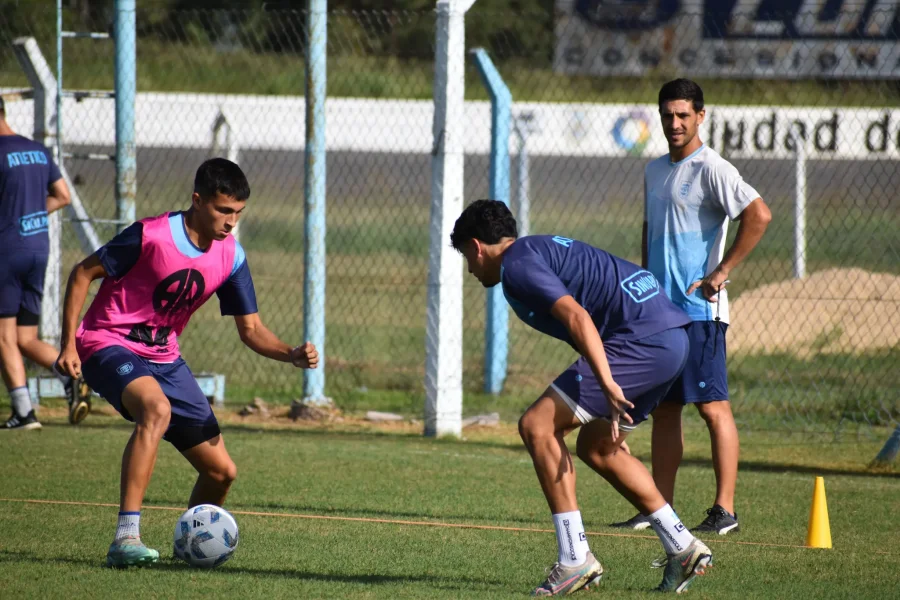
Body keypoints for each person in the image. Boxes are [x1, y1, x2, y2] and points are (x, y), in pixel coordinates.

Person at [55, 158, 319, 568]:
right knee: (155, 409)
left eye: (238, 213)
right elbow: (81, 273)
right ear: (198, 201)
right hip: (108, 342)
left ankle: (190, 548)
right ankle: (125, 537)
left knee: (221, 472)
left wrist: (291, 354)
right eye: (223, 210)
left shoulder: (230, 255)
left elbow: (250, 329)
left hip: (165, 358)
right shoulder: (152, 235)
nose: (231, 222)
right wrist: (69, 344)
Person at [451, 199, 713, 595]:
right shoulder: (538, 248)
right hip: (671, 337)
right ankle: (682, 546)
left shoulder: (516, 266)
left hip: (641, 341)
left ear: (476, 246)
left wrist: (607, 381)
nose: (470, 270)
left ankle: (574, 559)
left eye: (467, 259)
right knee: (599, 446)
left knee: (536, 425)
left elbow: (577, 316)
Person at [611, 79, 771, 536]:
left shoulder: (712, 167)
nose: (675, 123)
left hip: (700, 312)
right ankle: (657, 506)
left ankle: (725, 510)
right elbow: (650, 233)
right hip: (660, 313)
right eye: (668, 115)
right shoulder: (654, 170)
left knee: (712, 407)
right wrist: (643, 286)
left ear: (701, 116)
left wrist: (721, 273)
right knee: (665, 409)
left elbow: (759, 215)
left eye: (684, 115)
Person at [0, 95, 92, 430]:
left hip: (6, 251)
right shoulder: (38, 150)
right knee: (24, 338)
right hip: (38, 248)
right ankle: (71, 377)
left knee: (3, 336)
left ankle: (24, 412)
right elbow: (63, 196)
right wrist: (30, 216)